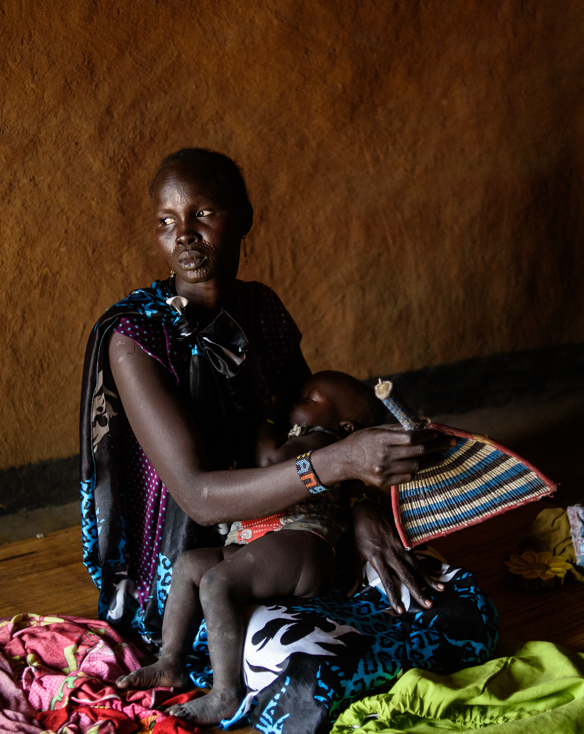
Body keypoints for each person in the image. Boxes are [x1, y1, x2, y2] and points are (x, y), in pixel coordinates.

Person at [79, 148, 499, 733]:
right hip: (193, 564)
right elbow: (200, 497)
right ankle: (204, 670)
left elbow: (313, 428)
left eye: (204, 214)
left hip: (298, 527)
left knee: (453, 603)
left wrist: (356, 510)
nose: (185, 236)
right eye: (167, 221)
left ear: (245, 217)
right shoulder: (136, 339)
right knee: (307, 660)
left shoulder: (262, 311)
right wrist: (337, 467)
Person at [116, 371, 387, 723]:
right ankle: (170, 661)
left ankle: (226, 694)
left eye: (310, 398)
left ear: (345, 426)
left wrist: (268, 416)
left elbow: (270, 462)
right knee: (188, 565)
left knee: (216, 584)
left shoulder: (325, 440)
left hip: (303, 540)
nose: (296, 402)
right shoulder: (302, 436)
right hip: (263, 537)